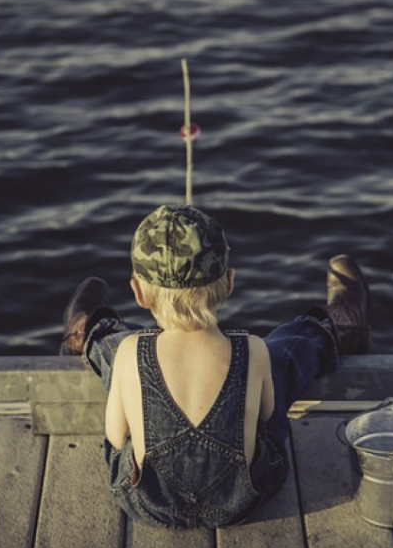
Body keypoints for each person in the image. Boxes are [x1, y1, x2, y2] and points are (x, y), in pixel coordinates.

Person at [59, 204, 370, 528]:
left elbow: (117, 438)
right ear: (230, 282)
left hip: (148, 503)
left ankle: (90, 331)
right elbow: (267, 417)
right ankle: (334, 327)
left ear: (138, 292)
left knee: (118, 351)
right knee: (278, 358)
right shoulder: (253, 348)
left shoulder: (129, 351)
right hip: (243, 500)